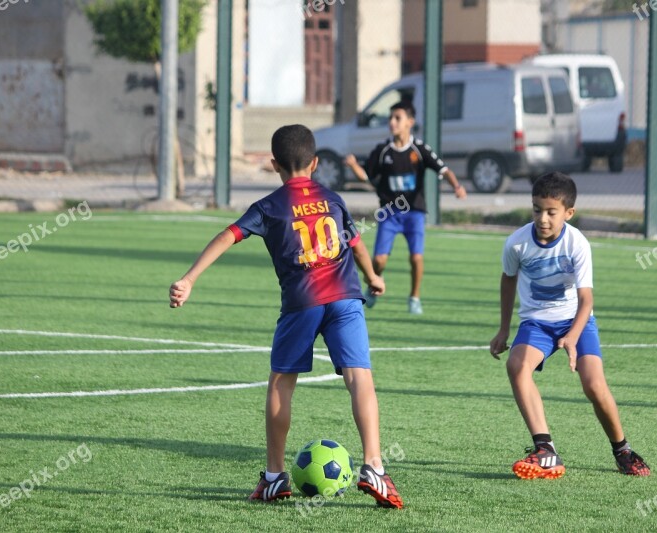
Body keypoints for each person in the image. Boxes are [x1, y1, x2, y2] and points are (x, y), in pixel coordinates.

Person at [169, 125, 404, 508]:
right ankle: (374, 467)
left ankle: (276, 477)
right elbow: (356, 244)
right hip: (346, 298)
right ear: (315, 163)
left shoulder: (270, 205)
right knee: (359, 377)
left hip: (303, 302)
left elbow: (227, 235)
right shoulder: (332, 198)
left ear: (275, 164)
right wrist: (374, 277)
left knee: (282, 382)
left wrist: (190, 278)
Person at [489, 172, 650, 479]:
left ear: (569, 213)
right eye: (537, 209)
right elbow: (508, 280)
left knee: (593, 384)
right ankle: (545, 449)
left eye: (552, 212)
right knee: (516, 366)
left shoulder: (578, 243)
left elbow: (586, 300)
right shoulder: (517, 243)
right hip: (537, 321)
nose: (543, 218)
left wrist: (573, 337)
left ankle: (622, 450)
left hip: (577, 320)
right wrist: (503, 329)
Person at [344, 100, 467, 315]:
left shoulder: (419, 150)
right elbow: (366, 175)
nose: (392, 122)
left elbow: (443, 169)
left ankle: (414, 298)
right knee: (379, 260)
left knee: (416, 257)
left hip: (415, 212)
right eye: (390, 118)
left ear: (410, 122)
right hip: (389, 213)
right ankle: (374, 285)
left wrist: (456, 185)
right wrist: (355, 166)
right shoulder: (382, 150)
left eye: (397, 118)